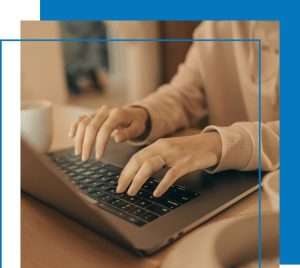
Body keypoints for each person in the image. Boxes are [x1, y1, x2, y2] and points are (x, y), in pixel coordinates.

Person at [68, 21, 279, 198]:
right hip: (231, 185)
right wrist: (143, 114)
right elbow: (183, 94)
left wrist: (219, 143)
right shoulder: (215, 28)